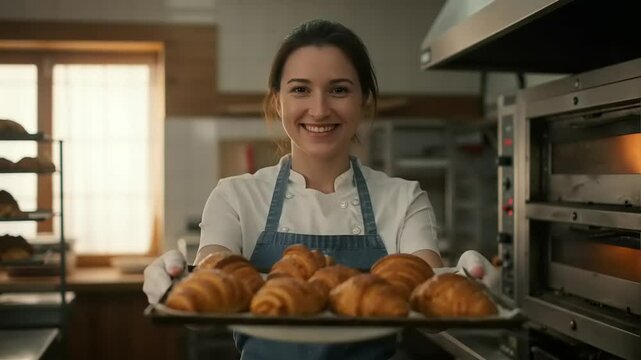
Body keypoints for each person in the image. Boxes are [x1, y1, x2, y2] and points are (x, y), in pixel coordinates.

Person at [144, 19, 498, 360]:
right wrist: (171, 284)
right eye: (300, 89)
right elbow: (204, 301)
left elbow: (430, 307)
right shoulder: (234, 197)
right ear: (277, 101)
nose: (319, 109)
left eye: (339, 90)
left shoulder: (403, 199)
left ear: (364, 101)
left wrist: (469, 281)